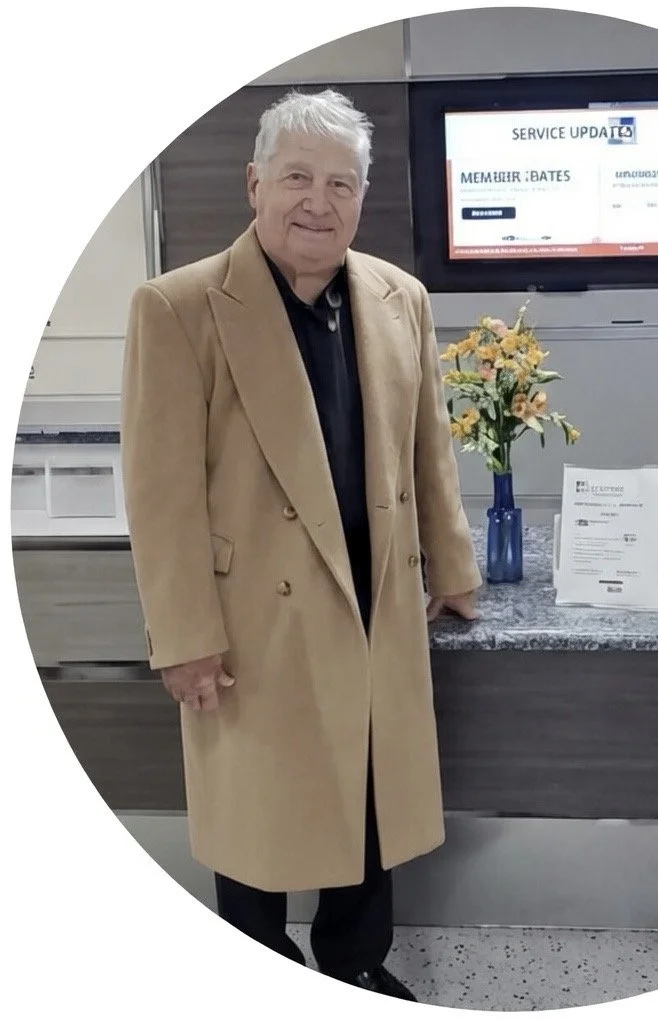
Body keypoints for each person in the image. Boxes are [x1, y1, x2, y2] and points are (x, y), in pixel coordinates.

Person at [120, 89, 482, 1001]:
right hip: (252, 615)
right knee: (259, 805)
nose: (318, 202)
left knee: (370, 794)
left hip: (376, 594)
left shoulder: (400, 298)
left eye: (341, 183)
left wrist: (454, 566)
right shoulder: (181, 307)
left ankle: (357, 959)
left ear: (361, 197)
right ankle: (256, 965)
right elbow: (159, 494)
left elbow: (426, 449)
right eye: (297, 178)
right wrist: (183, 634)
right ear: (254, 184)